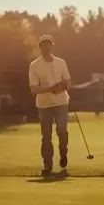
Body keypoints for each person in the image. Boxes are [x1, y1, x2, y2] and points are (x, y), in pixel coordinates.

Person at [27, 35, 72, 176]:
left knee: (61, 130)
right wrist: (51, 88)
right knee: (46, 136)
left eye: (49, 45)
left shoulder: (61, 63)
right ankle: (47, 164)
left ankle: (63, 152)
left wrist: (62, 86)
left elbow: (68, 82)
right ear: (40, 47)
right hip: (44, 105)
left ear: (53, 46)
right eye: (44, 46)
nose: (47, 48)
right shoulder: (34, 66)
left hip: (61, 102)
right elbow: (34, 89)